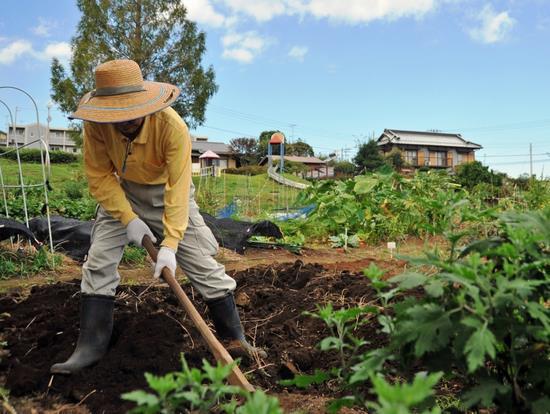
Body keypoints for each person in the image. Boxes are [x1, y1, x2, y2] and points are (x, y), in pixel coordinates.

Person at [51, 59, 265, 375]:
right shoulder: (96, 124)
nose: (123, 120)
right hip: (120, 196)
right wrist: (128, 219)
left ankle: (234, 339)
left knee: (205, 267)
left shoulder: (172, 127)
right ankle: (91, 346)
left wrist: (170, 243)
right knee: (98, 263)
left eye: (129, 112)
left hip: (168, 196)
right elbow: (99, 176)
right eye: (117, 113)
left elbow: (179, 188)